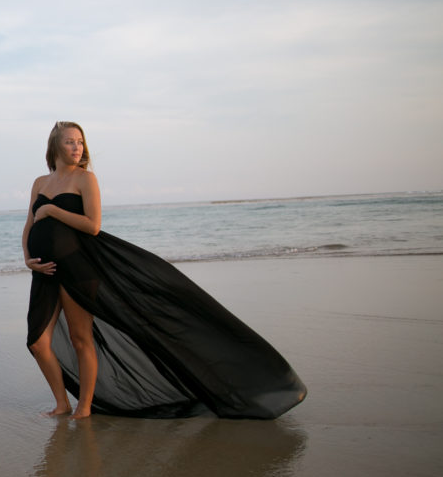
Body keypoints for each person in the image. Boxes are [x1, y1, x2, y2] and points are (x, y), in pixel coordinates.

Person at [22, 121, 306, 420]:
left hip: (79, 268)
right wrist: (28, 257)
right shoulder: (41, 182)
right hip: (44, 271)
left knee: (81, 339)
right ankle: (62, 403)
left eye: (80, 141)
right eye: (70, 142)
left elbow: (93, 226)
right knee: (38, 343)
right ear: (55, 146)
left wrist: (53, 211)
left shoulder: (85, 179)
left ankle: (83, 407)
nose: (77, 147)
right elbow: (29, 225)